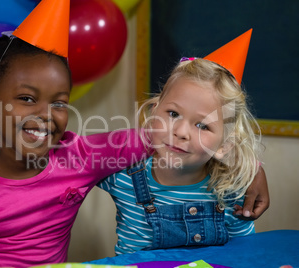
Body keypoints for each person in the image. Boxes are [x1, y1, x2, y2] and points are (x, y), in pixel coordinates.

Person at [0, 1, 149, 267]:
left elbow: (148, 138)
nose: (47, 114)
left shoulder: (76, 159)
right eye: (27, 98)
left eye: (59, 103)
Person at [96, 29, 268, 254]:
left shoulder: (231, 191)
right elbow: (69, 165)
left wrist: (252, 170)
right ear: (154, 111)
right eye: (173, 113)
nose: (181, 131)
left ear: (224, 146)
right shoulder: (121, 175)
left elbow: (242, 254)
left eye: (202, 125)